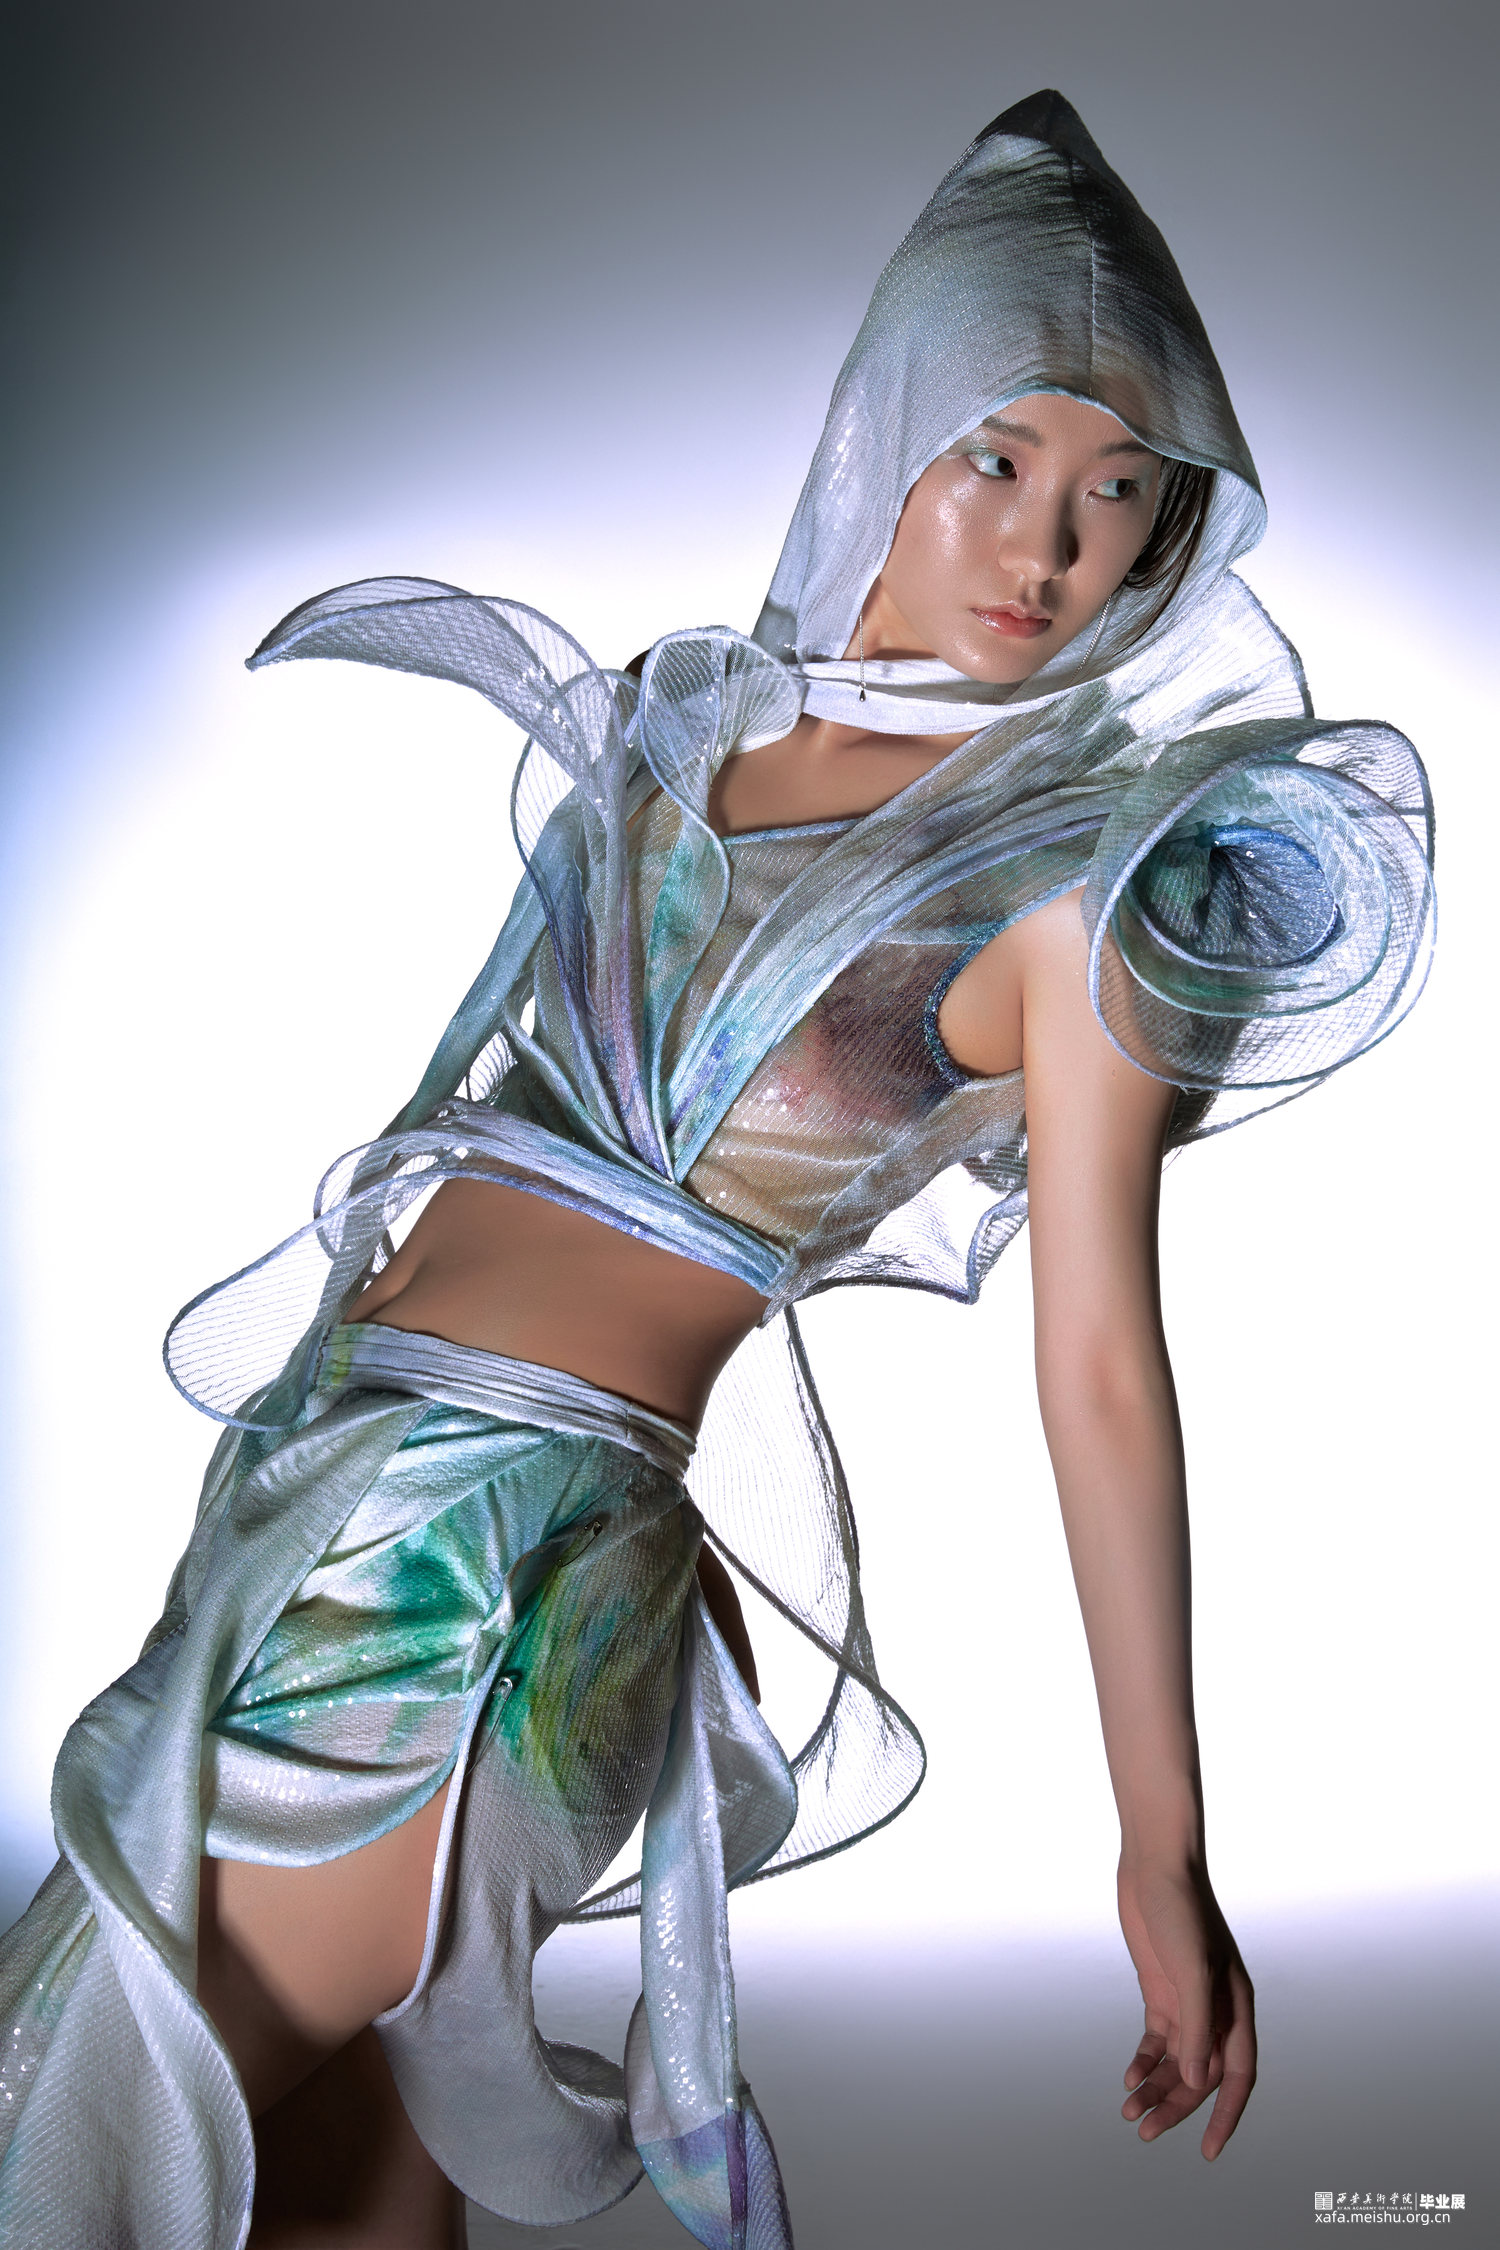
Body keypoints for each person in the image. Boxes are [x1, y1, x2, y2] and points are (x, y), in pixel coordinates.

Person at [0, 89, 1434, 2250]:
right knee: (328, 2193)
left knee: (71, 2131)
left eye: (1118, 492)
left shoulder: (1083, 893)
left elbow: (1102, 1369)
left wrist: (1161, 1843)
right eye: (998, 459)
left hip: (495, 1594)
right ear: (886, 437)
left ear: (1170, 534)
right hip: (319, 1491)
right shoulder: (698, 734)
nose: (1047, 549)